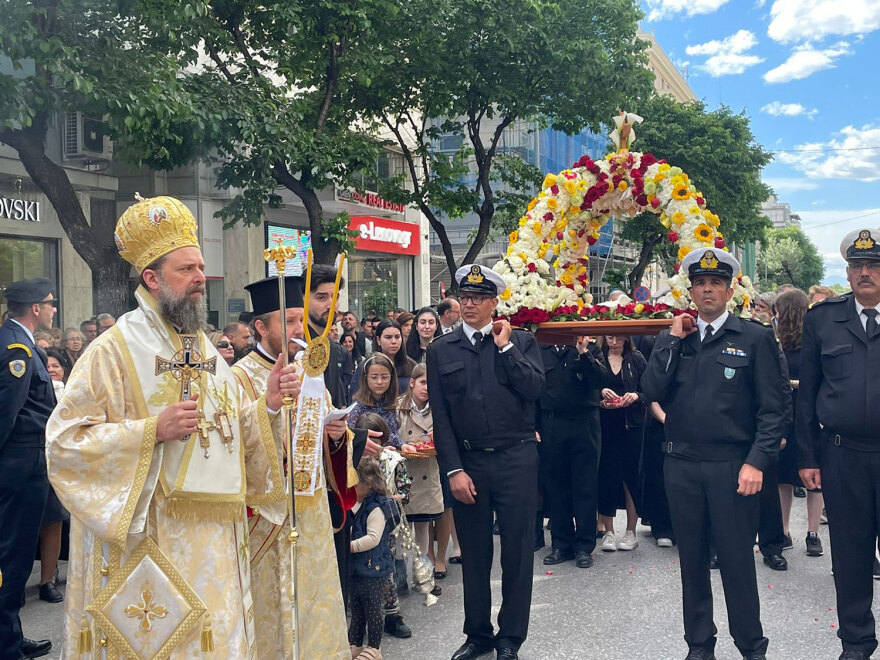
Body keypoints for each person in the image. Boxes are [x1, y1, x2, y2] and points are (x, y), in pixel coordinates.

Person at [46, 195, 303, 657]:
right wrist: (150, 431)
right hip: (150, 546)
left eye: (201, 267)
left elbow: (224, 432)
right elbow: (64, 445)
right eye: (187, 269)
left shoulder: (201, 345)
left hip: (217, 545)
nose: (201, 278)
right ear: (152, 277)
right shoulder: (112, 349)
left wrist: (263, 407)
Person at [642, 248, 787, 660]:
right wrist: (671, 339)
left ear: (729, 290)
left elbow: (773, 410)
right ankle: (699, 645)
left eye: (716, 283)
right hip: (682, 464)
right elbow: (652, 390)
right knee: (691, 562)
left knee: (738, 563)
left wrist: (757, 461)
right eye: (701, 283)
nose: (708, 290)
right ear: (691, 290)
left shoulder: (754, 338)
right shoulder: (674, 339)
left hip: (732, 468)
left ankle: (751, 646)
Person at [232, 274, 354, 659]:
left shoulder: (309, 372)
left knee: (312, 599)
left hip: (310, 508)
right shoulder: (237, 378)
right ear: (260, 327)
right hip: (265, 517)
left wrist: (334, 433)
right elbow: (235, 444)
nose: (298, 329)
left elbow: (332, 434)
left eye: (300, 320)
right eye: (287, 321)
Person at [428, 264, 545, 660]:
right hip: (470, 463)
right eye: (464, 297)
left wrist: (506, 348)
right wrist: (454, 470)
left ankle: (510, 638)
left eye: (478, 298)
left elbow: (534, 388)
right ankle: (478, 634)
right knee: (475, 554)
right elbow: (441, 418)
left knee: (517, 550)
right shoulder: (441, 349)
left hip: (516, 458)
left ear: (495, 303)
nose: (470, 304)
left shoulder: (522, 341)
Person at [797, 227, 880, 660]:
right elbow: (806, 394)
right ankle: (856, 643)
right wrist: (807, 456)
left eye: (873, 265)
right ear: (847, 273)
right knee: (849, 554)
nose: (865, 272)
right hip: (843, 454)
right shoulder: (823, 319)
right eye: (857, 266)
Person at [0, 277, 57, 660]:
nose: (54, 309)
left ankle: (11, 635)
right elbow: (7, 412)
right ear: (35, 308)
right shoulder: (16, 347)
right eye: (50, 303)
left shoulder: (18, 341)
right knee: (13, 556)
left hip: (24, 460)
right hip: (19, 461)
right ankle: (6, 646)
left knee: (17, 556)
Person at [537, 336, 608, 569]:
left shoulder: (589, 346)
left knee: (585, 485)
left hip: (583, 422)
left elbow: (599, 380)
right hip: (552, 423)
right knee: (556, 485)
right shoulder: (541, 347)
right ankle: (561, 543)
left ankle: (584, 546)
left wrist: (584, 354)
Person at [775, 288, 824, 557]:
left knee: (814, 476)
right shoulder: (776, 342)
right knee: (784, 475)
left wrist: (793, 384)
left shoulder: (813, 342)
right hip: (786, 411)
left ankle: (811, 532)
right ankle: (786, 531)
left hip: (807, 411)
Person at [596, 334, 647, 552]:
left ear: (627, 339)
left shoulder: (636, 359)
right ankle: (608, 531)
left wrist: (635, 396)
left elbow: (649, 389)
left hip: (631, 426)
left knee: (630, 477)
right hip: (604, 425)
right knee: (606, 476)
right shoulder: (597, 357)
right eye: (610, 337)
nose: (614, 342)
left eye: (618, 338)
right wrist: (599, 395)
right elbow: (585, 387)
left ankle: (631, 532)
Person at [348, 457, 401, 660]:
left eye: (355, 485)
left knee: (372, 609)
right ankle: (355, 642)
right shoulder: (356, 505)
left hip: (374, 568)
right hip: (356, 568)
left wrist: (351, 546)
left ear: (368, 485)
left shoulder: (376, 508)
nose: (351, 489)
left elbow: (373, 538)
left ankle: (374, 647)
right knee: (357, 609)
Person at [398, 364, 444, 575]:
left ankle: (423, 570)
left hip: (428, 468)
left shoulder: (439, 408)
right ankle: (402, 571)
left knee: (424, 524)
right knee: (402, 527)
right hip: (405, 473)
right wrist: (402, 444)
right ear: (412, 382)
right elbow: (393, 434)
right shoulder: (399, 407)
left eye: (431, 383)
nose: (427, 388)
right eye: (423, 382)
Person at [38, 348, 70, 605]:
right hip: (31, 460)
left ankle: (47, 580)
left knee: (53, 522)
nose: (50, 369)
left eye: (55, 365)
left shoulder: (69, 394)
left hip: (56, 463)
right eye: (46, 365)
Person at [306, 264, 354, 408]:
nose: (330, 305)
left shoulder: (331, 346)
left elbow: (337, 405)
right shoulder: (293, 346)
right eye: (321, 298)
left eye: (335, 297)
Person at [349, 353, 415, 453]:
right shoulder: (357, 408)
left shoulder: (390, 404)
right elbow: (353, 439)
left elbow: (391, 433)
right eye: (374, 377)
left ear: (391, 378)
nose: (379, 382)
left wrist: (402, 445)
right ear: (366, 378)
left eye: (384, 377)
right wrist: (382, 450)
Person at [351, 320, 416, 397]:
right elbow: (355, 397)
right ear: (378, 340)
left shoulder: (412, 366)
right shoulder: (366, 365)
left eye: (397, 337)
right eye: (388, 337)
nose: (394, 341)